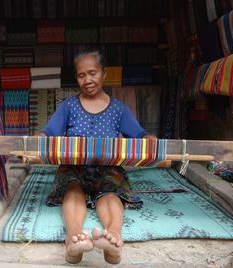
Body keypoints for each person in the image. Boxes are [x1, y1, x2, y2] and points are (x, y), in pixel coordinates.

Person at [41, 50, 154, 264]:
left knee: (110, 194)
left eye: (92, 73)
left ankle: (113, 239)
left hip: (107, 168)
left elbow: (138, 135)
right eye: (81, 75)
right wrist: (37, 141)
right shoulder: (69, 107)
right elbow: (49, 133)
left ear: (104, 73)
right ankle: (73, 240)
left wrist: (148, 138)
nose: (87, 80)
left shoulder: (118, 109)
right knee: (73, 191)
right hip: (74, 167)